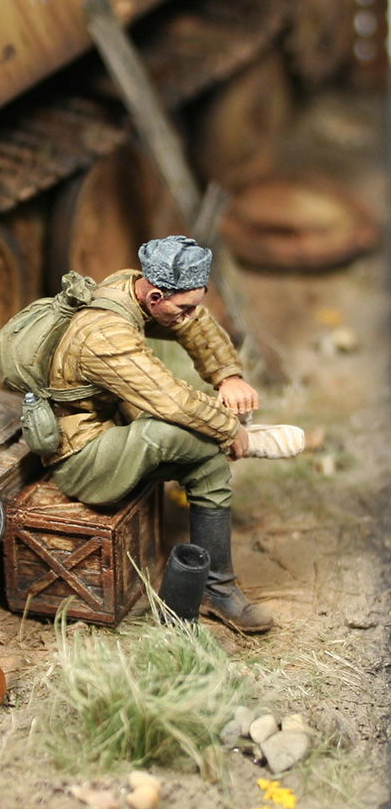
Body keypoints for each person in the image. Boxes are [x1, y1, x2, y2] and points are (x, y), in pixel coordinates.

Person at [45, 235, 272, 633]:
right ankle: (215, 589)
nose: (189, 316)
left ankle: (215, 588)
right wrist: (230, 429)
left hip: (112, 427)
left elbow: (195, 322)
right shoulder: (106, 334)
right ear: (154, 298)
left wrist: (227, 374)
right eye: (182, 308)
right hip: (82, 455)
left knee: (204, 453)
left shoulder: (131, 285)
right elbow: (172, 401)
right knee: (199, 440)